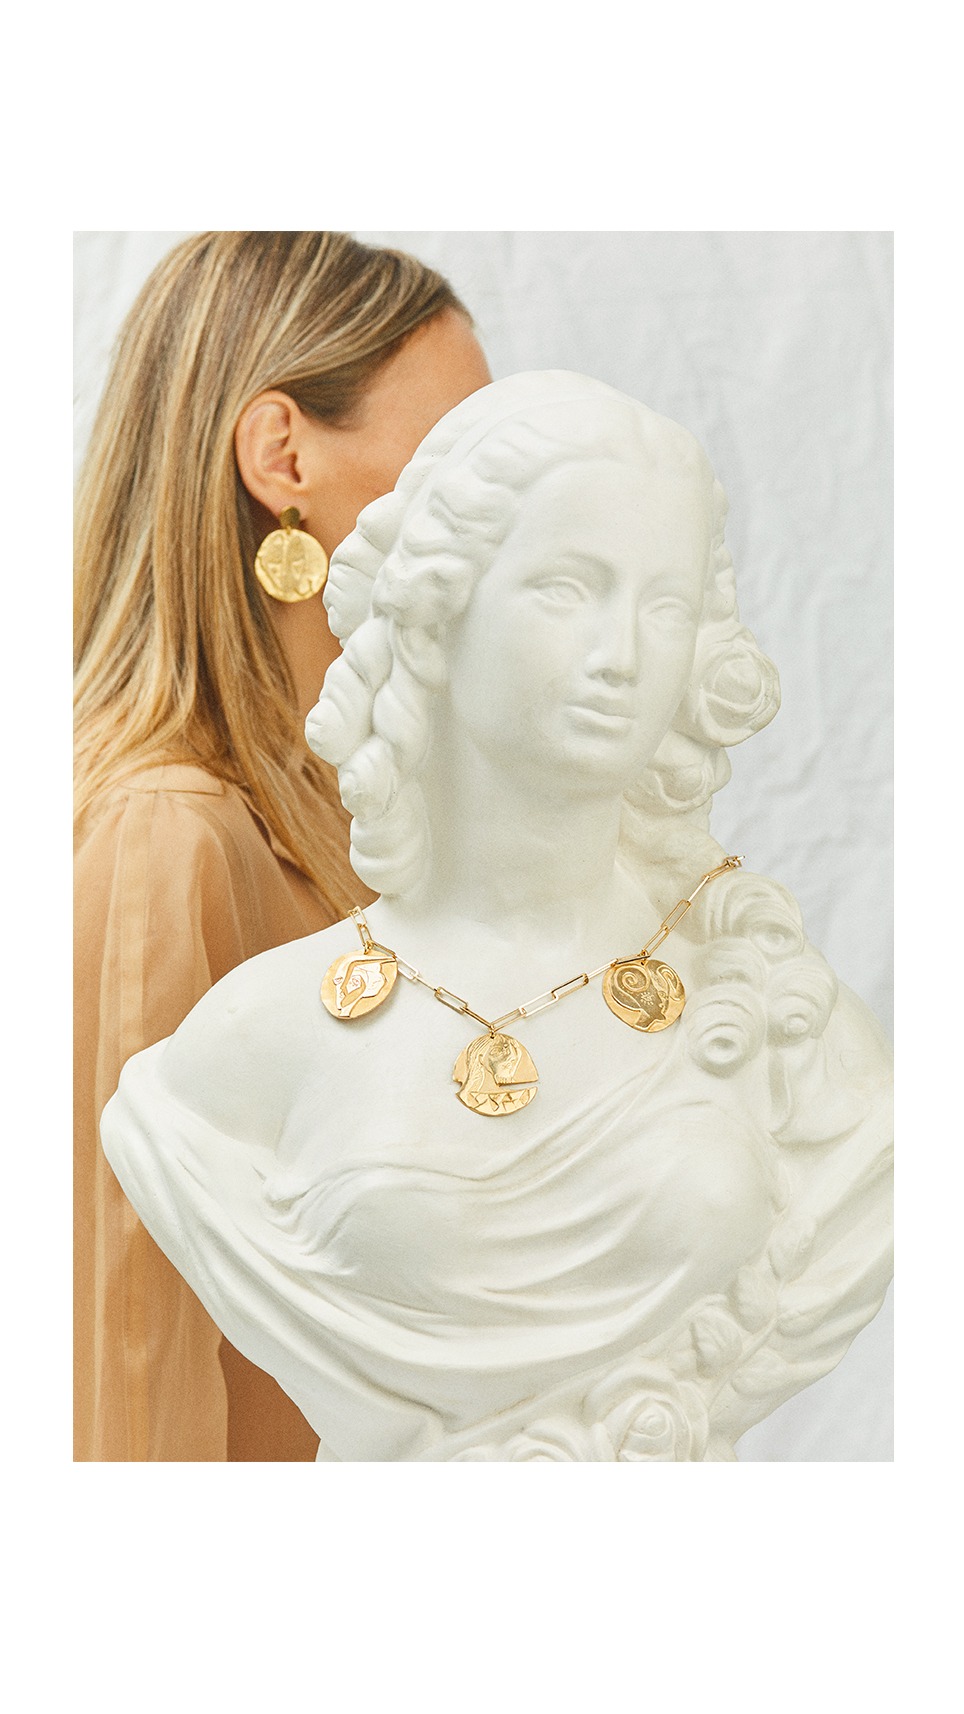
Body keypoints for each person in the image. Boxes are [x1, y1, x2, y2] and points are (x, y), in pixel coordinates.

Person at [101, 371, 893, 1462]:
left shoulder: (782, 1019)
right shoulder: (252, 1041)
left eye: (664, 605)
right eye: (567, 588)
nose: (621, 655)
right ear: (440, 614)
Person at [74, 230, 492, 1461]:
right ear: (282, 458)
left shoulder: (352, 819)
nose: (502, 499)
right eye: (456, 449)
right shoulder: (168, 841)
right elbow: (122, 1352)